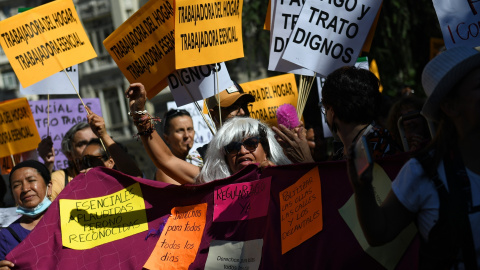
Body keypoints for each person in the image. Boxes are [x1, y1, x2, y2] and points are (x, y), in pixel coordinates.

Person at [347, 47, 480, 269]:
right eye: (479, 86)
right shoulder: (422, 171)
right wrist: (362, 188)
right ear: (450, 106)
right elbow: (380, 232)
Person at [125, 83, 290, 185]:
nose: (242, 151)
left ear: (266, 149)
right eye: (232, 147)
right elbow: (167, 160)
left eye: (251, 143)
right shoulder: (208, 169)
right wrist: (140, 115)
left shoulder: (282, 165)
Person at [321, 66, 401, 160]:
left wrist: (306, 160)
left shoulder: (378, 151)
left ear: (331, 110)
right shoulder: (342, 154)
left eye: (324, 108)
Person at [0, 160, 53, 269]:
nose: (25, 189)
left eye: (31, 180)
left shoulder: (69, 221)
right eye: (16, 185)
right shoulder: (6, 237)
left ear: (49, 187)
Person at [197, 82, 255, 159]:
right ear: (213, 115)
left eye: (244, 106)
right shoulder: (200, 158)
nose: (242, 112)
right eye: (233, 107)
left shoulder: (264, 146)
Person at [50, 122, 97, 200]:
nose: (89, 147)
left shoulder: (112, 172)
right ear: (69, 154)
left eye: (94, 141)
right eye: (82, 144)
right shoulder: (58, 180)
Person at [155, 109, 202, 184]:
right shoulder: (166, 171)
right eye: (180, 130)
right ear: (167, 138)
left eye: (189, 129)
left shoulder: (200, 161)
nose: (187, 135)